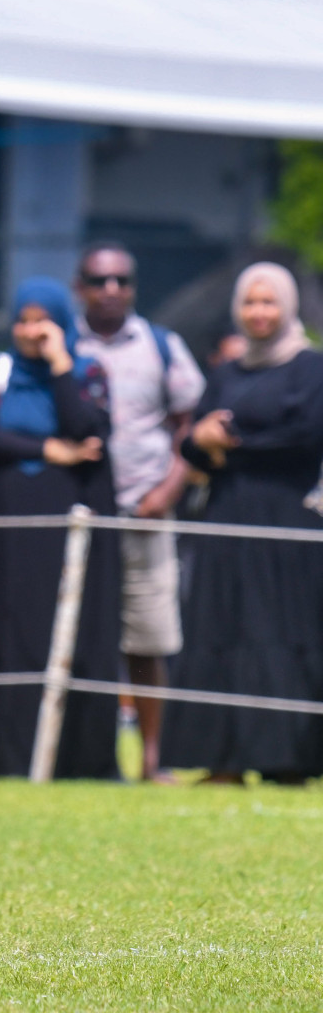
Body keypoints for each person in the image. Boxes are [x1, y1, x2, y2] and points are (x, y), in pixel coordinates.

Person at [164, 262, 323, 784]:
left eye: (269, 301)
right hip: (226, 515)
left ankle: (286, 760)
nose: (259, 312)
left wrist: (229, 445)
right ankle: (223, 761)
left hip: (285, 522)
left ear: (288, 306)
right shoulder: (228, 373)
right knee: (222, 628)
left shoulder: (310, 368)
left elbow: (304, 437)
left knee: (279, 632)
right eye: (251, 302)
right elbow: (193, 443)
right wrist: (201, 445)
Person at [0, 277, 120, 779]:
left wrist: (59, 366)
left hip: (65, 526)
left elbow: (88, 432)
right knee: (6, 631)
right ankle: (5, 758)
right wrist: (48, 450)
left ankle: (72, 760)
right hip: (9, 526)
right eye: (24, 320)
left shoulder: (87, 371)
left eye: (43, 320)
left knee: (64, 628)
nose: (32, 331)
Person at [72, 243, 206, 782]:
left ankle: (153, 757)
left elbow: (190, 428)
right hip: (82, 516)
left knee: (148, 641)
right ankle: (84, 757)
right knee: (83, 637)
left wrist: (167, 493)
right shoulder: (64, 341)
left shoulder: (162, 346)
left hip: (145, 511)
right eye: (99, 280)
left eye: (121, 280)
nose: (111, 290)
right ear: (80, 285)